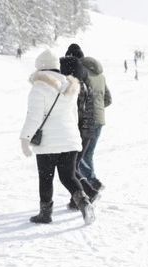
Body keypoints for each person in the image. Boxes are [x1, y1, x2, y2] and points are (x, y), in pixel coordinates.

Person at [19, 49, 94, 225]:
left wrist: (25, 139)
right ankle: (84, 202)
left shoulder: (39, 87)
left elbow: (34, 116)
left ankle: (45, 214)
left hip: (48, 141)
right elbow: (74, 116)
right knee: (68, 176)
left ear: (40, 67)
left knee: (46, 177)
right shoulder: (70, 86)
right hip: (70, 140)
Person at [65, 43, 111, 206]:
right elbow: (108, 99)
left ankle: (92, 184)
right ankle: (89, 186)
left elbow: (79, 99)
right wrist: (98, 109)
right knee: (86, 155)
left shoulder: (80, 74)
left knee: (78, 158)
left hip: (85, 120)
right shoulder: (100, 75)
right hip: (99, 119)